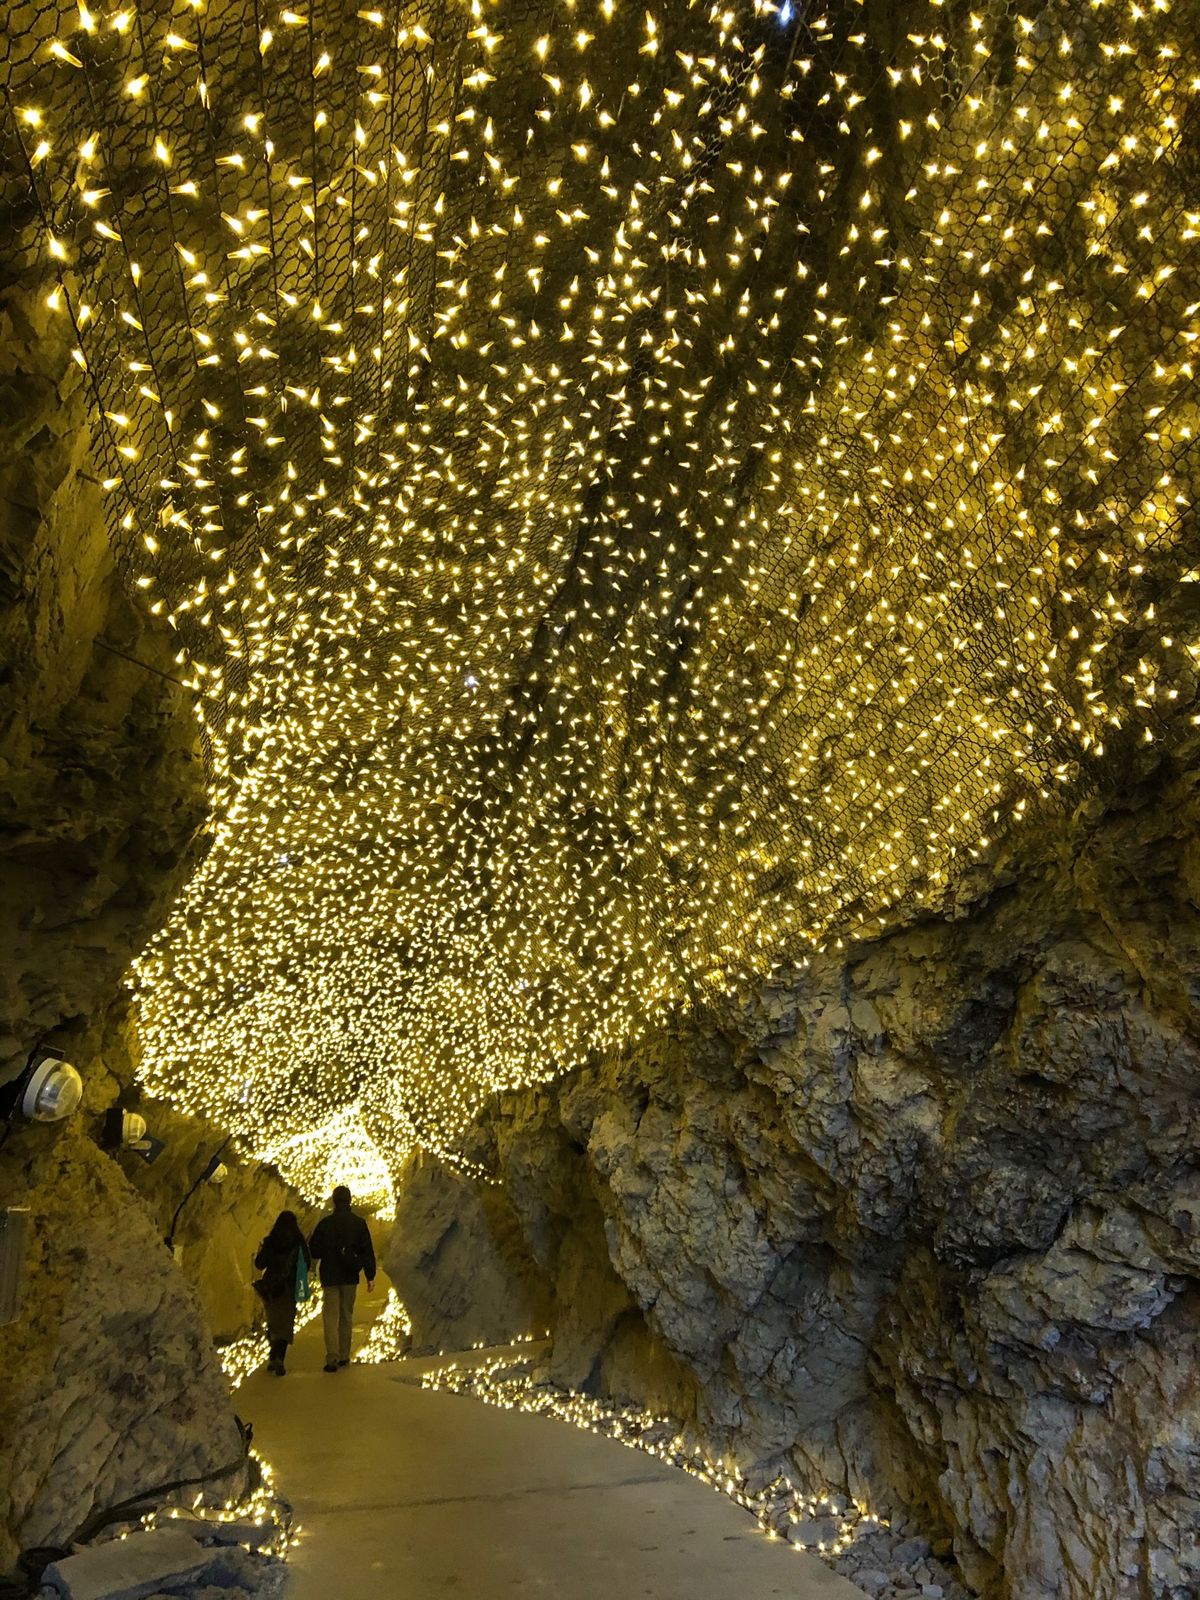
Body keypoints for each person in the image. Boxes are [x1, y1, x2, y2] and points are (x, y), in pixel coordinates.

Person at [308, 1185, 376, 1372]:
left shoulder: (325, 1224)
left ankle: (332, 1358)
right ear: (350, 1201)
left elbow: (314, 1249)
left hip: (330, 1275)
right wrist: (370, 1275)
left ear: (334, 1201)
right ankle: (344, 1355)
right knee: (346, 1315)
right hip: (349, 1275)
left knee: (330, 1317)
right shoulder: (358, 1223)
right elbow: (367, 1250)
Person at [253, 1210, 311, 1376]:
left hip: (271, 1287)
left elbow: (259, 1264)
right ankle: (279, 1356)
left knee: (272, 1321)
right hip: (289, 1287)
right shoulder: (298, 1242)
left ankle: (273, 1354)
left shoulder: (270, 1241)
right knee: (285, 1323)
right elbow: (306, 1264)